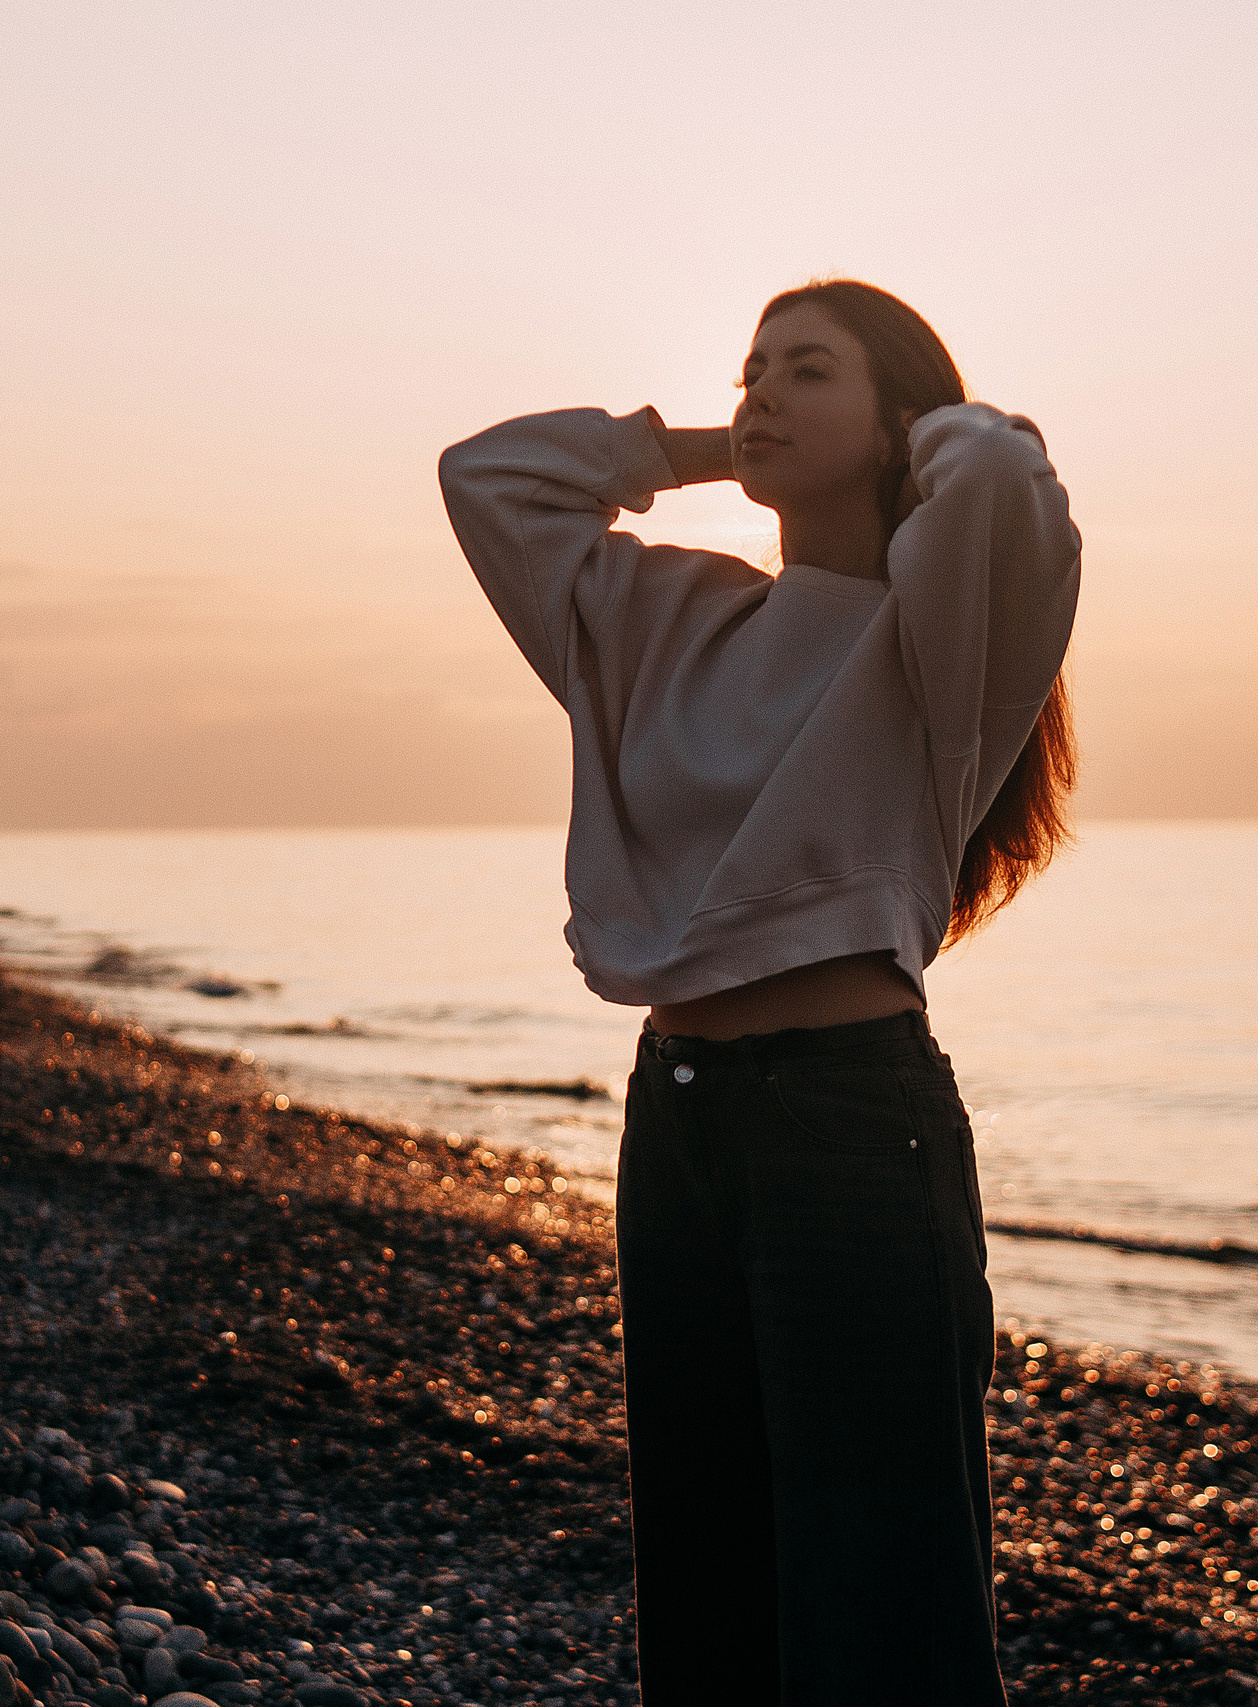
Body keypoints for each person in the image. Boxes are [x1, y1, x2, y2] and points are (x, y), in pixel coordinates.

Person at [440, 278, 1079, 1705]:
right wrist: (703, 452)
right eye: (751, 370)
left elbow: (1008, 488)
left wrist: (927, 438)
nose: (762, 392)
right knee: (707, 1565)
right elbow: (488, 478)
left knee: (884, 1587)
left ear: (899, 419)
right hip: (677, 1121)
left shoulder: (943, 644)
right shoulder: (663, 619)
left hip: (852, 1127)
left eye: (807, 372)